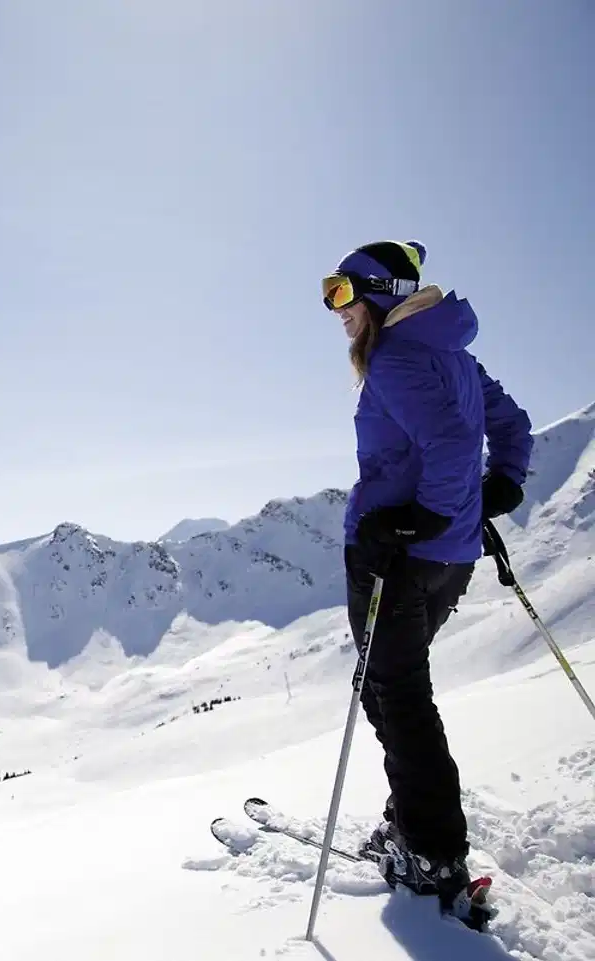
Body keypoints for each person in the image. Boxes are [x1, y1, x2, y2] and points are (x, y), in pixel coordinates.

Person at [321, 240, 533, 907]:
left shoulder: (395, 359)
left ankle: (432, 852)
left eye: (343, 293)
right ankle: (413, 812)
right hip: (449, 558)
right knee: (389, 684)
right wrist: (499, 485)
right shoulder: (451, 354)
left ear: (379, 292)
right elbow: (510, 424)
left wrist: (422, 520)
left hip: (396, 559)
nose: (337, 310)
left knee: (397, 695)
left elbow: (448, 442)